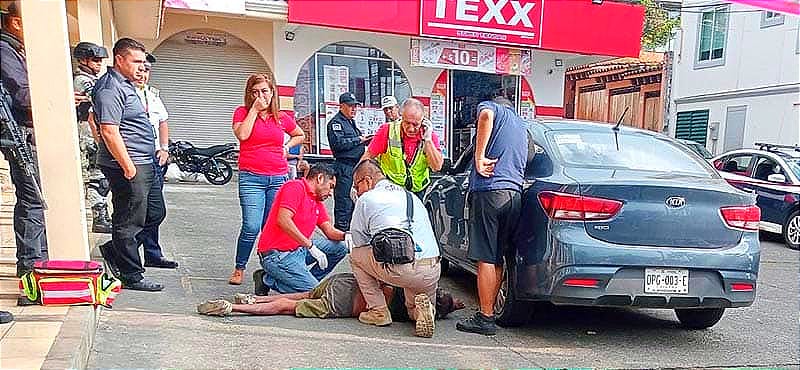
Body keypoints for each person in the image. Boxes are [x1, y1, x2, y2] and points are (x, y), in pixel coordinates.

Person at [92, 37, 162, 292]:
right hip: (128, 164)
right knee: (129, 219)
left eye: (143, 62)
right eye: (136, 61)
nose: (141, 67)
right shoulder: (110, 88)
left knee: (154, 213)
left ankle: (115, 250)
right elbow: (109, 130)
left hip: (144, 162)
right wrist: (128, 167)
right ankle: (131, 274)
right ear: (119, 60)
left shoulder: (126, 85)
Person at [456, 96, 528, 336]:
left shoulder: (492, 108)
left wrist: (479, 157)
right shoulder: (522, 126)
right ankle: (488, 313)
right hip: (514, 195)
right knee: (497, 257)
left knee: (486, 256)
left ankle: (485, 318)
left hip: (490, 192)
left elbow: (486, 116)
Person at [348, 159, 442, 338]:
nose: (356, 192)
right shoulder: (411, 196)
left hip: (400, 268)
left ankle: (378, 310)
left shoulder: (366, 199)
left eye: (356, 186)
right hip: (431, 269)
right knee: (412, 309)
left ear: (367, 180)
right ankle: (425, 310)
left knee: (355, 256)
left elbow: (359, 241)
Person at [228, 73, 305, 285]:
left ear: (272, 93)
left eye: (264, 91)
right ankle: (239, 267)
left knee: (270, 228)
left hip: (278, 177)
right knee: (251, 226)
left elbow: (299, 134)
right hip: (251, 178)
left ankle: (269, 268)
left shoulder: (280, 117)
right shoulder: (242, 112)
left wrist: (287, 147)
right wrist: (254, 110)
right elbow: (242, 135)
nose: (260, 96)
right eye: (255, 92)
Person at [0, 1, 48, 283]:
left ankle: (39, 262)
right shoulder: (5, 49)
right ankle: (31, 269)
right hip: (18, 135)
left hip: (22, 132)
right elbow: (23, 93)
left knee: (36, 200)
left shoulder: (15, 49)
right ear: (16, 22)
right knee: (32, 199)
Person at [196, 273, 465, 321]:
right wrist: (454, 306)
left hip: (344, 280)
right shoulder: (405, 313)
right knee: (288, 307)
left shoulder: (407, 285)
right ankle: (233, 308)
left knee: (304, 293)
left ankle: (252, 299)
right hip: (345, 302)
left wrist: (454, 303)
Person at [253, 164, 348, 295]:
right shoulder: (295, 187)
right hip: (277, 255)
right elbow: (283, 220)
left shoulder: (316, 201)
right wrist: (310, 246)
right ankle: (267, 280)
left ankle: (306, 282)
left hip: (298, 250)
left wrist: (347, 235)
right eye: (330, 186)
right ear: (320, 178)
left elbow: (329, 231)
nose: (331, 193)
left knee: (340, 248)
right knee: (315, 294)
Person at [133, 54, 177, 269]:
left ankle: (152, 253)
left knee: (156, 210)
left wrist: (164, 149)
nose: (142, 74)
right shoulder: (123, 93)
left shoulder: (151, 96)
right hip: (135, 159)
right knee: (138, 211)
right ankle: (122, 250)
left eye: (146, 71)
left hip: (154, 158)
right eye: (139, 69)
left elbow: (163, 121)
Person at [360, 98, 443, 197]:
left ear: (423, 121)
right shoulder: (387, 130)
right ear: (401, 117)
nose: (411, 129)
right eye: (407, 123)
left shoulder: (429, 135)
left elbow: (436, 167)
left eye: (415, 124)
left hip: (418, 192)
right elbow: (367, 157)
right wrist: (358, 183)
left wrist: (428, 140)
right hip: (390, 191)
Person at [72, 41, 112, 234]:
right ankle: (99, 217)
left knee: (101, 178)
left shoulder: (92, 80)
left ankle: (102, 214)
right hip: (88, 134)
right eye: (95, 60)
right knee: (97, 178)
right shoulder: (82, 80)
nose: (99, 64)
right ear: (83, 60)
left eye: (100, 60)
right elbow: (98, 100)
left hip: (92, 131)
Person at [326, 92, 370, 231]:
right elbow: (338, 144)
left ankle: (351, 233)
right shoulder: (336, 123)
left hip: (356, 167)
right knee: (344, 203)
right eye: (351, 106)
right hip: (344, 167)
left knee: (354, 202)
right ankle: (341, 234)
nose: (354, 109)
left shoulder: (350, 122)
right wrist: (358, 140)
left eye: (355, 106)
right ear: (341, 106)